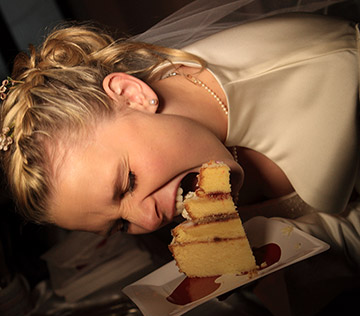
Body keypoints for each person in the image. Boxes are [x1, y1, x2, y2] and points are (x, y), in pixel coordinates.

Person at [1, 6, 360, 270]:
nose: (150, 220)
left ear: (132, 94)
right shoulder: (190, 148)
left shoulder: (341, 72)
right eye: (121, 225)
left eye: (127, 184)